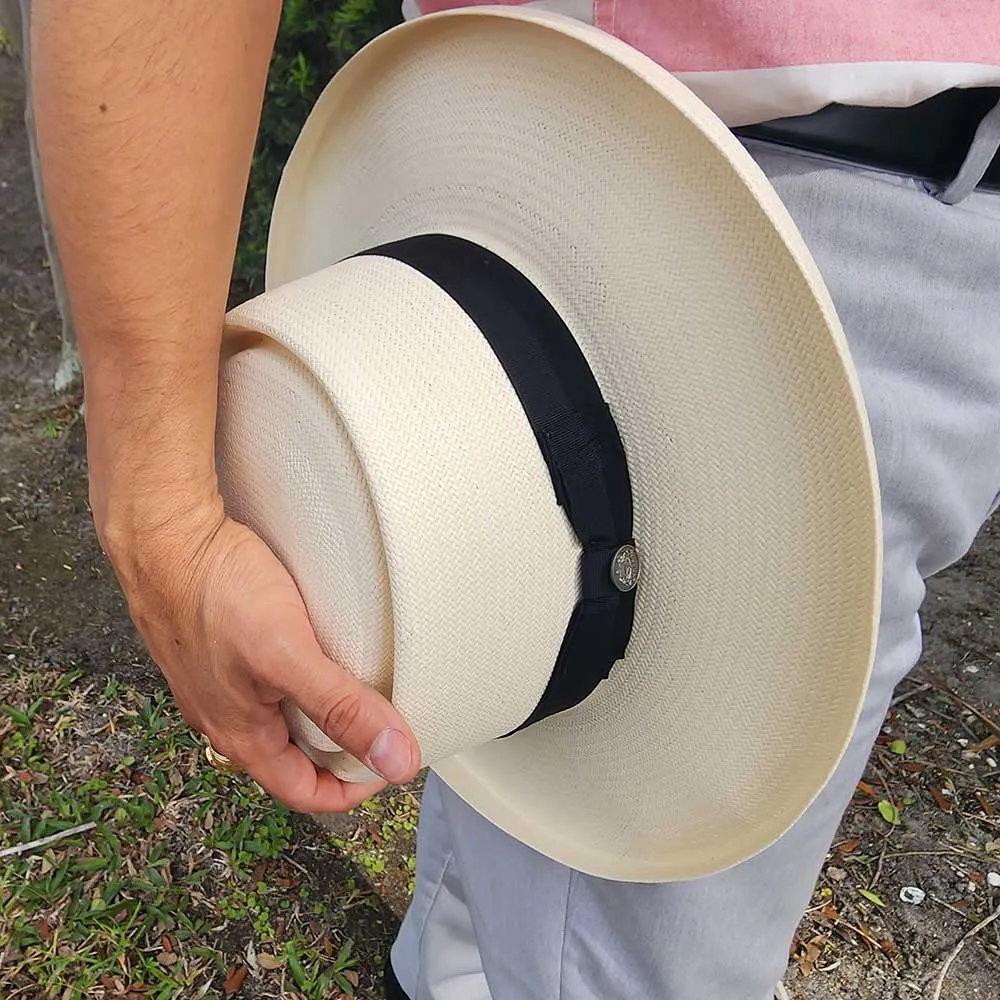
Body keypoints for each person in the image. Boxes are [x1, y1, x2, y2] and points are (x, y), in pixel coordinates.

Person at [28, 3, 1000, 998]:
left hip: (901, 223)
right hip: (665, 179)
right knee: (620, 950)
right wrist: (163, 514)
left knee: (508, 713)